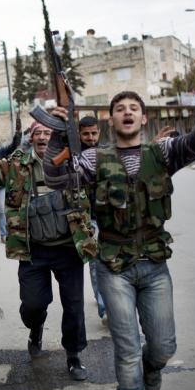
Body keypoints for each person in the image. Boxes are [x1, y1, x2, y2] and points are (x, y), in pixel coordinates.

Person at [43, 58, 195, 390]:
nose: (127, 112)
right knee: (126, 348)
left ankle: (152, 368)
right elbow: (55, 177)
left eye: (133, 108)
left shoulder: (163, 152)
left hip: (154, 264)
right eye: (120, 108)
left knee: (164, 345)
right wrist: (60, 132)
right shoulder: (94, 158)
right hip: (113, 266)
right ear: (110, 120)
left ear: (143, 118)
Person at [0, 122, 97, 381]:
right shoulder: (16, 166)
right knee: (33, 305)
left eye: (48, 133)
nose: (43, 137)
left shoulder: (72, 163)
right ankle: (36, 328)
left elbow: (100, 163)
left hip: (68, 248)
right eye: (38, 133)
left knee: (74, 306)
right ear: (31, 138)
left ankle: (73, 355)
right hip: (33, 251)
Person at [78, 116, 106, 325]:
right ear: (79, 134)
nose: (90, 137)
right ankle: (106, 309)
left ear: (99, 133)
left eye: (94, 133)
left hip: (110, 219)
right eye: (86, 134)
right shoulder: (73, 157)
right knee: (95, 265)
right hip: (88, 220)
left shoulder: (108, 153)